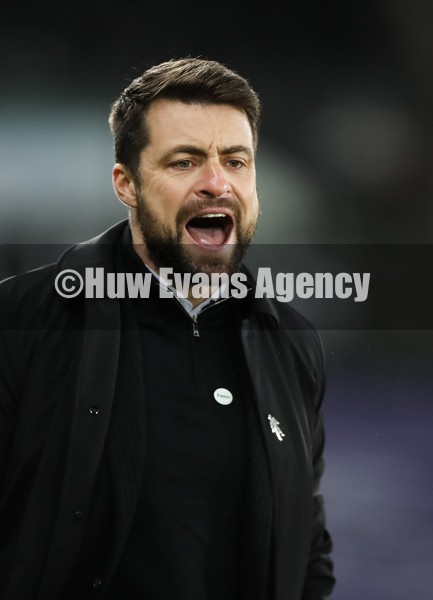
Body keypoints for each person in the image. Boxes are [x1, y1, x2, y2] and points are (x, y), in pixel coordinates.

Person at [0, 57, 335, 600]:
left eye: (236, 161)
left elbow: (307, 550)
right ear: (126, 185)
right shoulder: (24, 319)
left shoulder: (290, 340)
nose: (215, 183)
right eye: (184, 162)